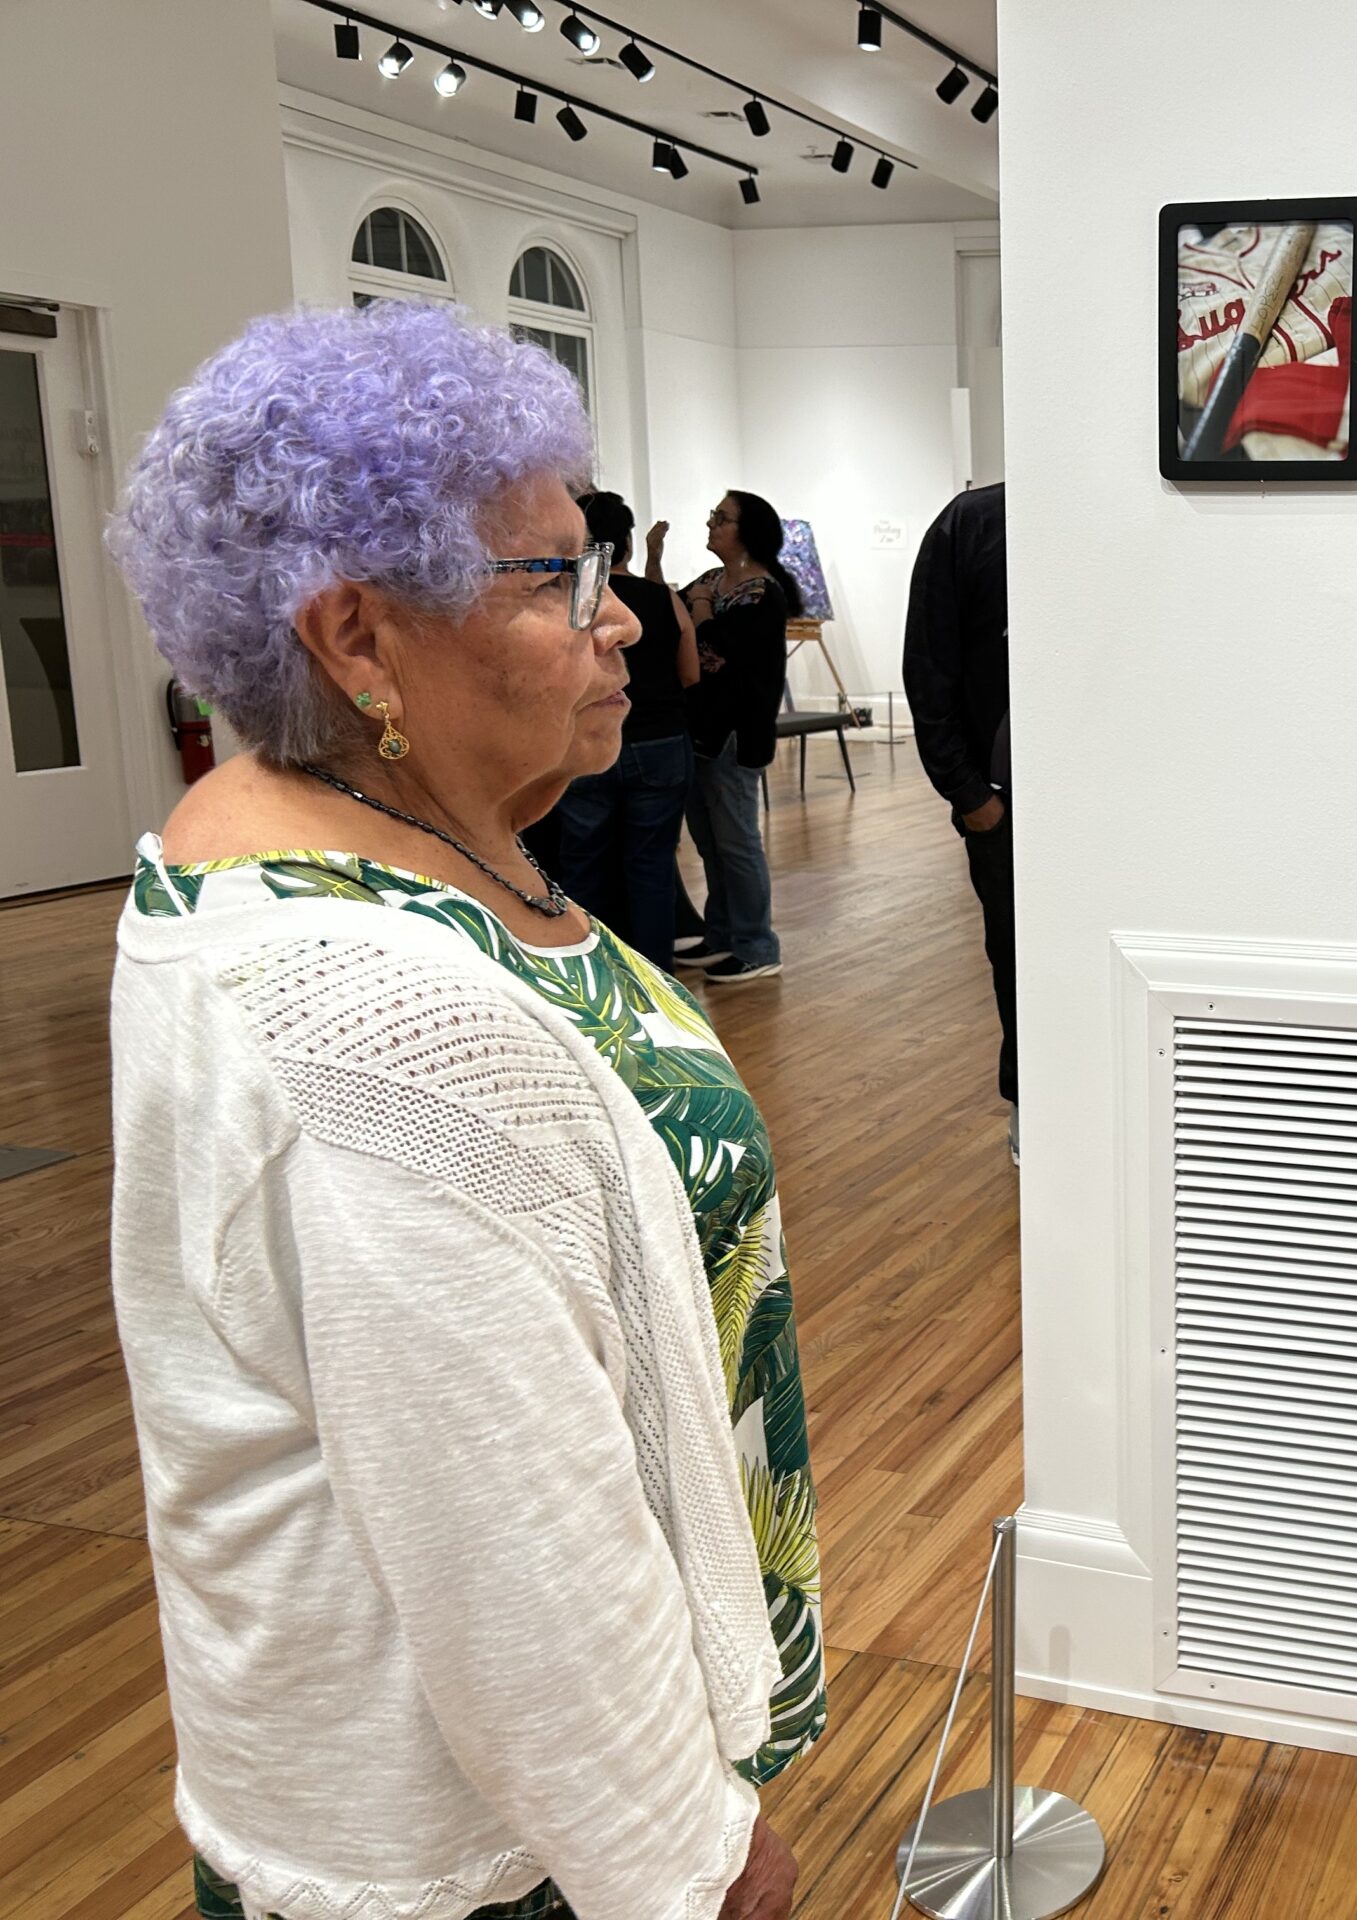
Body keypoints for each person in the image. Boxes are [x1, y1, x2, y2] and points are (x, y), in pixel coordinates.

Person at [103, 302, 823, 1920]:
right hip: (503, 1857)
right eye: (556, 577)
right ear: (359, 643)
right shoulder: (369, 1016)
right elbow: (518, 1549)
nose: (621, 618)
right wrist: (685, 1861)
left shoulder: (309, 845)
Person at [902, 482, 1013, 1158]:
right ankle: (1031, 1099)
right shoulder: (972, 523)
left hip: (1114, 804)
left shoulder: (1117, 504)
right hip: (1005, 805)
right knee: (1015, 953)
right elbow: (930, 666)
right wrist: (972, 796)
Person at [545, 491, 699, 967]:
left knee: (584, 864)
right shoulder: (661, 598)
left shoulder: (574, 600)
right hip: (660, 743)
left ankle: (593, 975)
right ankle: (656, 980)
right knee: (651, 866)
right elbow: (690, 673)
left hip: (592, 739)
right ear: (628, 540)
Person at [664, 490, 797, 984]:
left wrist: (699, 609)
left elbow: (716, 651)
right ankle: (722, 935)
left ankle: (757, 945)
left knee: (737, 841)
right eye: (713, 516)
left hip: (735, 734)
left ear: (747, 530)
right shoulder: (712, 582)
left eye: (721, 518)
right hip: (700, 729)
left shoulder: (762, 592)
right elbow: (666, 617)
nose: (711, 524)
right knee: (710, 842)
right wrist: (656, 562)